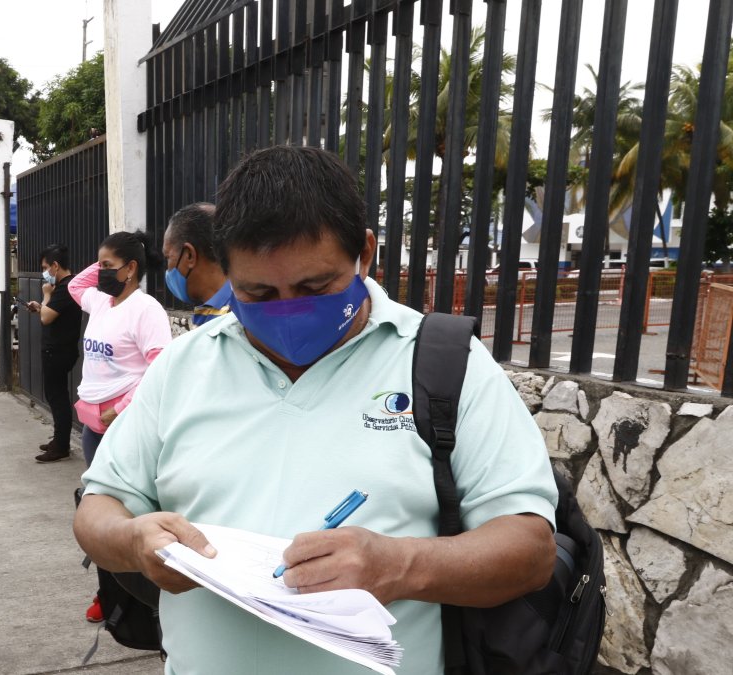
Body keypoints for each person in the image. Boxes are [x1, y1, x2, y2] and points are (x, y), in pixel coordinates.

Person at [73, 146, 559, 673]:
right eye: (258, 292)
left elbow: (529, 549)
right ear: (226, 274)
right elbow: (98, 510)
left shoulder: (444, 364)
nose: (287, 310)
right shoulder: (184, 365)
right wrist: (135, 541)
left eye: (315, 287)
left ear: (365, 254)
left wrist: (402, 565)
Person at [67, 230, 172, 623]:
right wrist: (106, 261)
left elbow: (160, 368)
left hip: (124, 428)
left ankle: (142, 605)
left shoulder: (146, 311)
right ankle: (110, 596)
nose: (100, 273)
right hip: (94, 428)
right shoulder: (100, 301)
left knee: (131, 516)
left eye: (109, 267)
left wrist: (121, 410)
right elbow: (77, 285)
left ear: (131, 270)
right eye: (99, 265)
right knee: (102, 519)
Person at [24, 244, 82, 463]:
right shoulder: (67, 286)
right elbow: (51, 313)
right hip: (59, 350)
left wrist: (46, 297)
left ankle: (61, 445)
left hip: (58, 352)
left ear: (56, 266)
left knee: (57, 398)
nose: (44, 273)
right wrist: (41, 306)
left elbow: (47, 318)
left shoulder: (65, 287)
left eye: (45, 267)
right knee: (56, 396)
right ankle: (60, 440)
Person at [161, 202, 232, 327]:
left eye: (168, 257)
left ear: (189, 255)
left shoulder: (236, 320)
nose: (167, 269)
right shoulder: (212, 313)